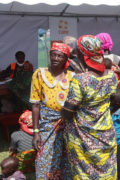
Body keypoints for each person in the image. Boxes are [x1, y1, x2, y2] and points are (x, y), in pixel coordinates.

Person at [61, 35, 118, 179]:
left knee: (83, 175)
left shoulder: (80, 80)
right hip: (106, 134)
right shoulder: (111, 76)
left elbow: (68, 112)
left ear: (81, 55)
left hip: (82, 138)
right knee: (106, 172)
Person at [30, 42, 73, 179]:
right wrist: (36, 132)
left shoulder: (72, 77)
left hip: (67, 123)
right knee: (44, 156)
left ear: (66, 59)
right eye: (53, 55)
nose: (55, 58)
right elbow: (35, 104)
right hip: (47, 124)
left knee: (66, 157)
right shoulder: (39, 74)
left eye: (59, 56)